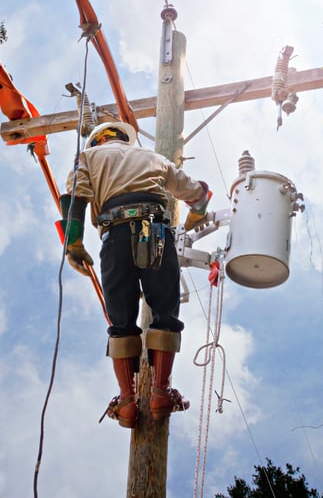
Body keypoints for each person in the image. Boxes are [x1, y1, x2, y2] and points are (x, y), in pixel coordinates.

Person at [58, 121, 211, 428]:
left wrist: (73, 243)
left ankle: (127, 402)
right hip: (152, 229)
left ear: (97, 140)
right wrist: (197, 214)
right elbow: (198, 194)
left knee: (121, 320)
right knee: (165, 311)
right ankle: (160, 393)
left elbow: (76, 199)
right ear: (125, 138)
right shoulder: (154, 158)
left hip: (114, 236)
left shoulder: (87, 158)